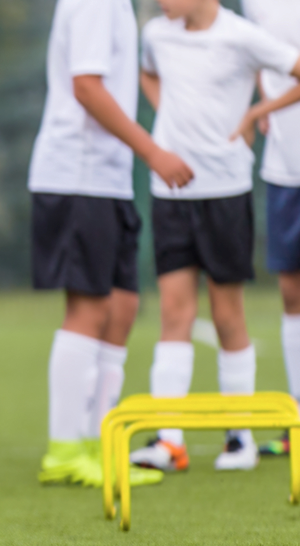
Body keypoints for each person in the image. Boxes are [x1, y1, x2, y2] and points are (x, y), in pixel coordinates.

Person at [29, 0, 194, 488]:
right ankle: (65, 449)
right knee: (89, 309)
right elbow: (86, 87)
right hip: (77, 176)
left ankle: (101, 444)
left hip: (108, 181)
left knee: (121, 309)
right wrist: (153, 151)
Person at [129, 0, 300, 472]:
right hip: (171, 193)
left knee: (228, 316)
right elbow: (148, 75)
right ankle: (169, 442)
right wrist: (171, 117)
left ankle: (238, 439)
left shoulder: (241, 35)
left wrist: (256, 114)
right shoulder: (156, 36)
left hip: (226, 192)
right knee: (174, 313)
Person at [242, 0, 300, 458]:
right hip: (284, 168)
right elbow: (261, 58)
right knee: (291, 293)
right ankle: (297, 421)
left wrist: (261, 106)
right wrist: (264, 105)